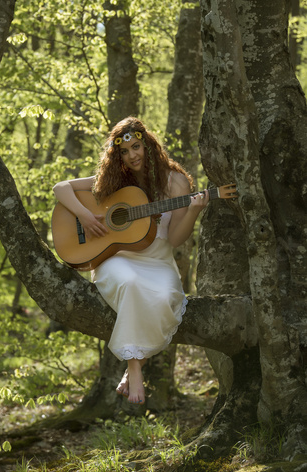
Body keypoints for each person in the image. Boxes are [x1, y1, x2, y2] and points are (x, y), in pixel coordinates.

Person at [53, 117, 209, 405]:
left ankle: (133, 363)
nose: (132, 155)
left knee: (163, 295)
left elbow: (175, 239)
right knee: (131, 282)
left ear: (148, 145)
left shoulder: (175, 182)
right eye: (124, 151)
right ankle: (135, 368)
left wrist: (193, 213)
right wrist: (86, 216)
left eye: (136, 147)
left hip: (158, 260)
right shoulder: (116, 180)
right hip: (117, 257)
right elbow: (61, 188)